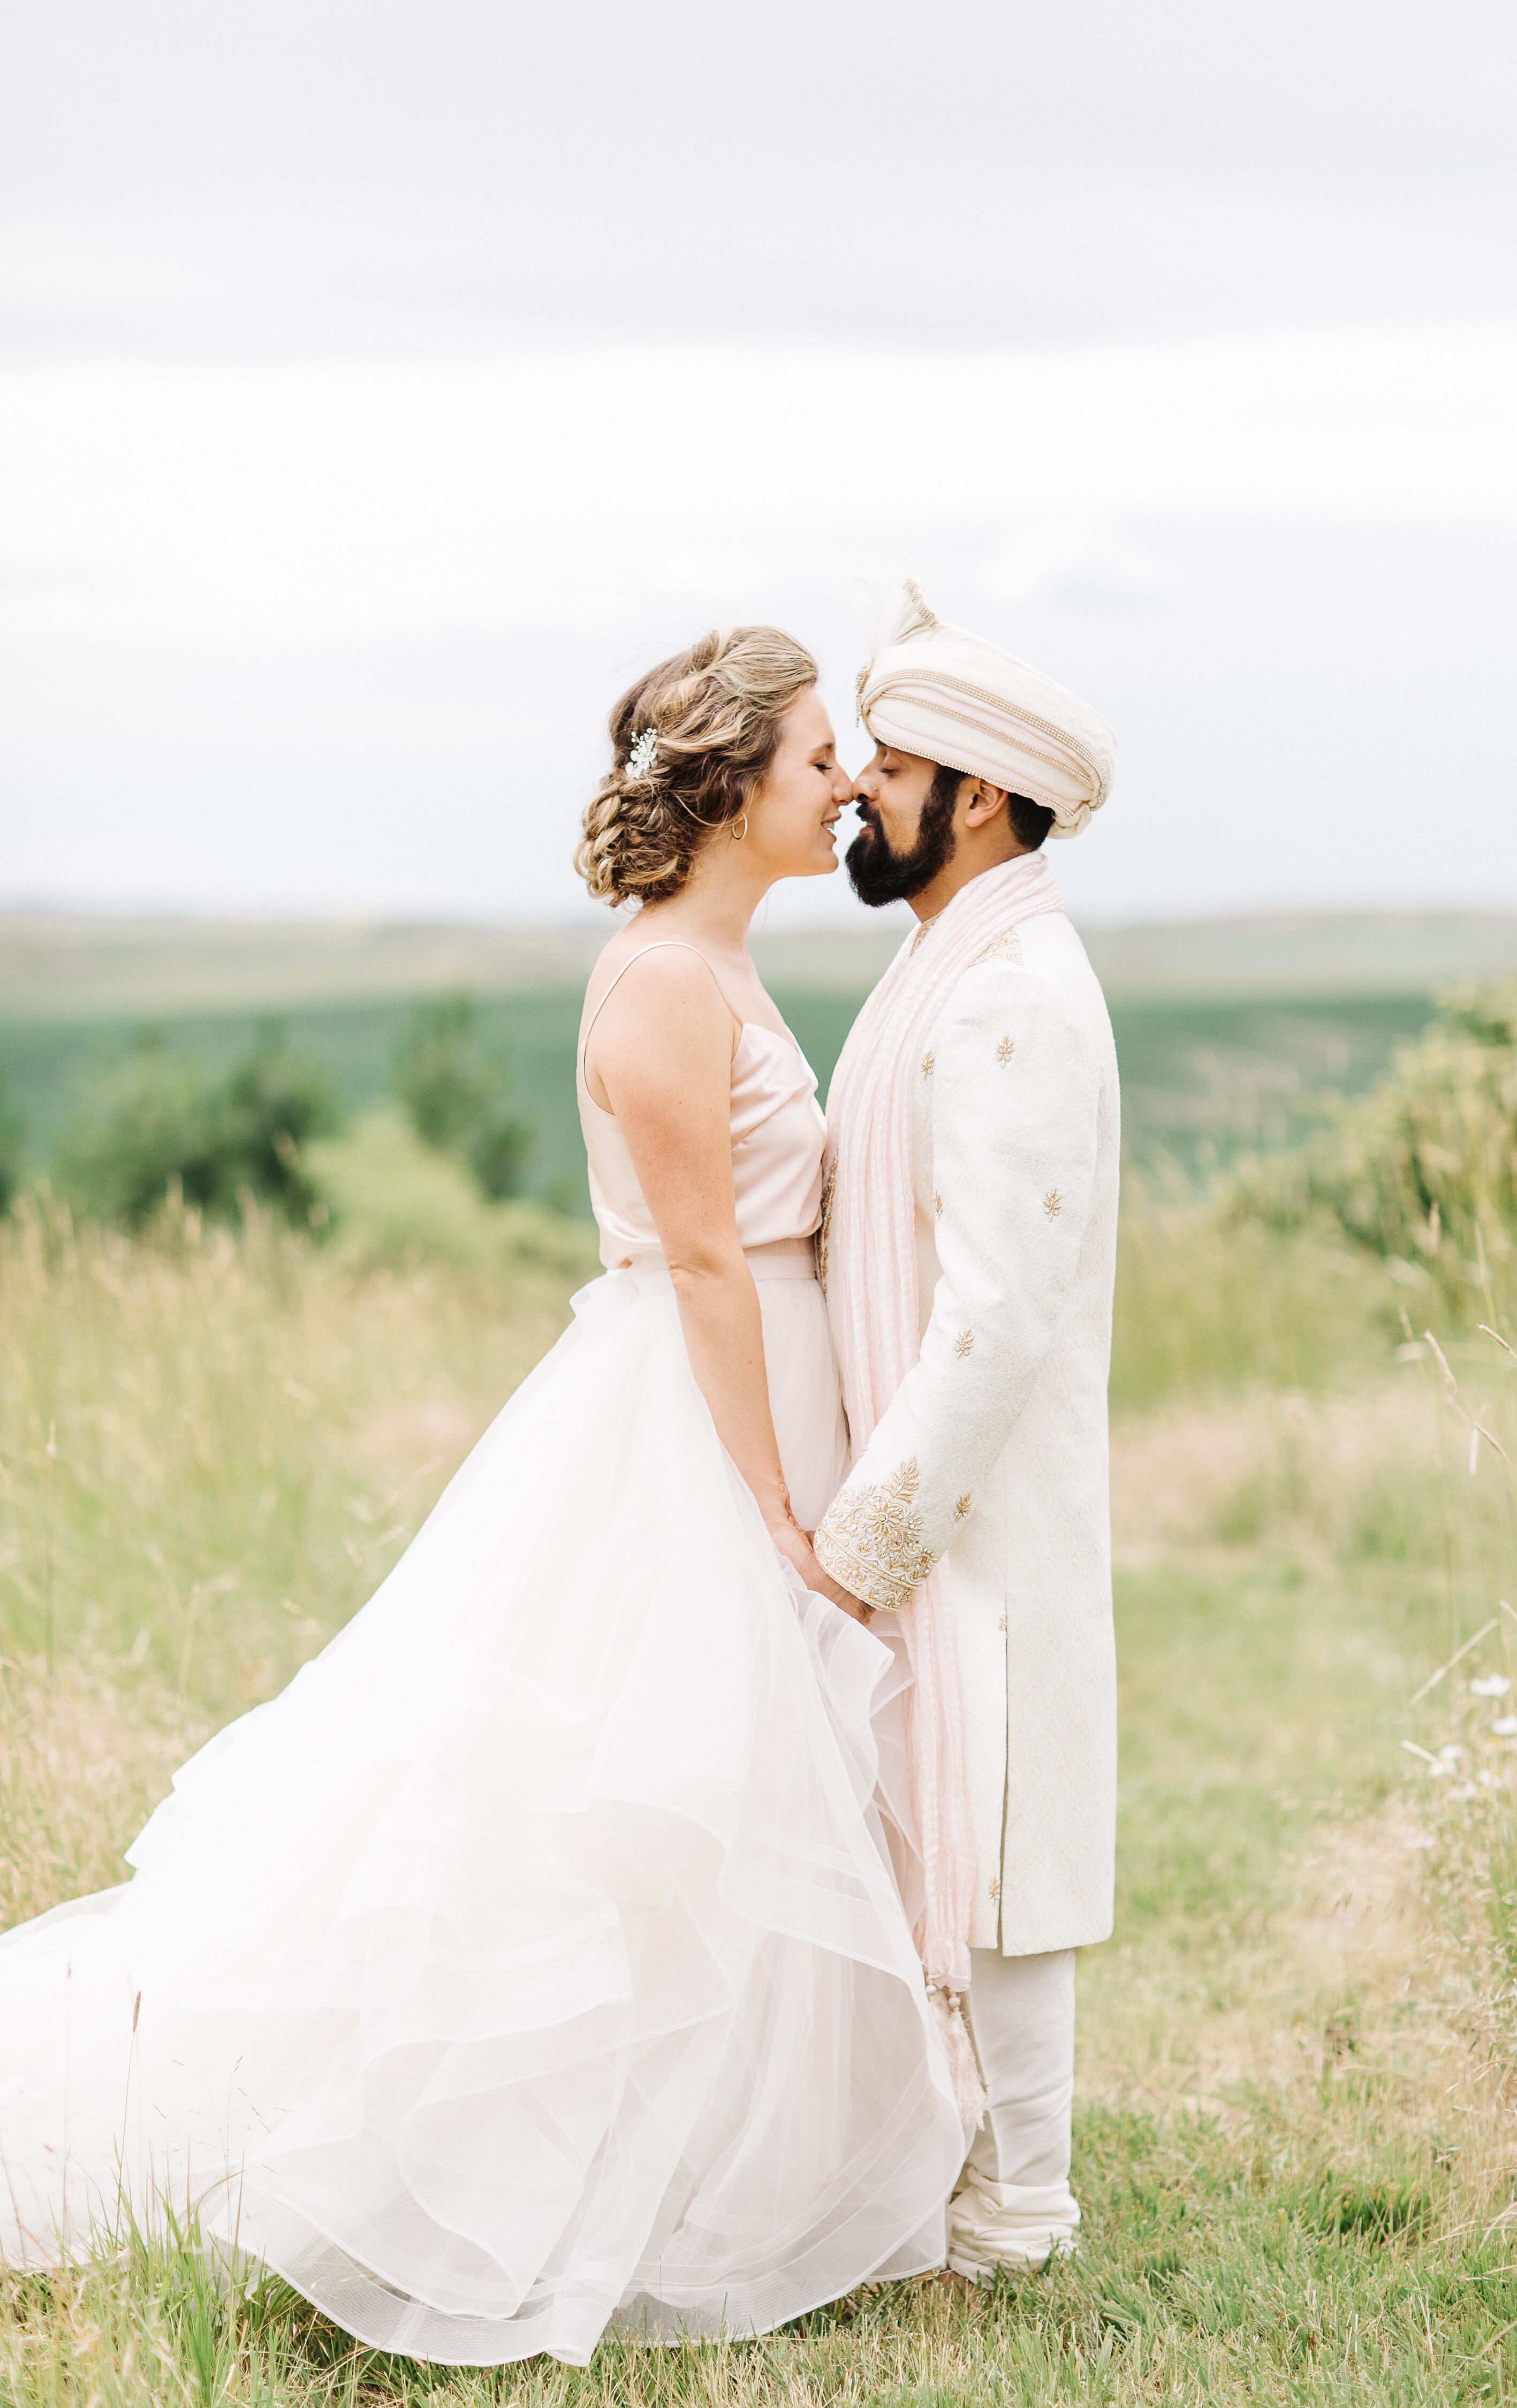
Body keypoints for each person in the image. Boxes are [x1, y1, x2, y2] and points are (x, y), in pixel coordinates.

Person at [0, 625, 965, 2367]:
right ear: (737, 777)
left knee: (722, 1809)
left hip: (743, 1408)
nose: (844, 785)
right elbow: (701, 1261)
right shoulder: (669, 980)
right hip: (692, 1434)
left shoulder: (715, 959)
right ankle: (455, 2173)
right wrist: (769, 1509)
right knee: (601, 1821)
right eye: (819, 755)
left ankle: (702, 2165)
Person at [810, 582, 1120, 2284]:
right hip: (928, 1512)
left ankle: (1017, 2217)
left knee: (998, 1838)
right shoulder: (957, 957)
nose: (857, 783)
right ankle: (944, 2189)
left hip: (968, 1524)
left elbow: (993, 1320)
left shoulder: (1009, 992)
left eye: (895, 763)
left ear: (980, 798)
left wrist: (865, 1541)